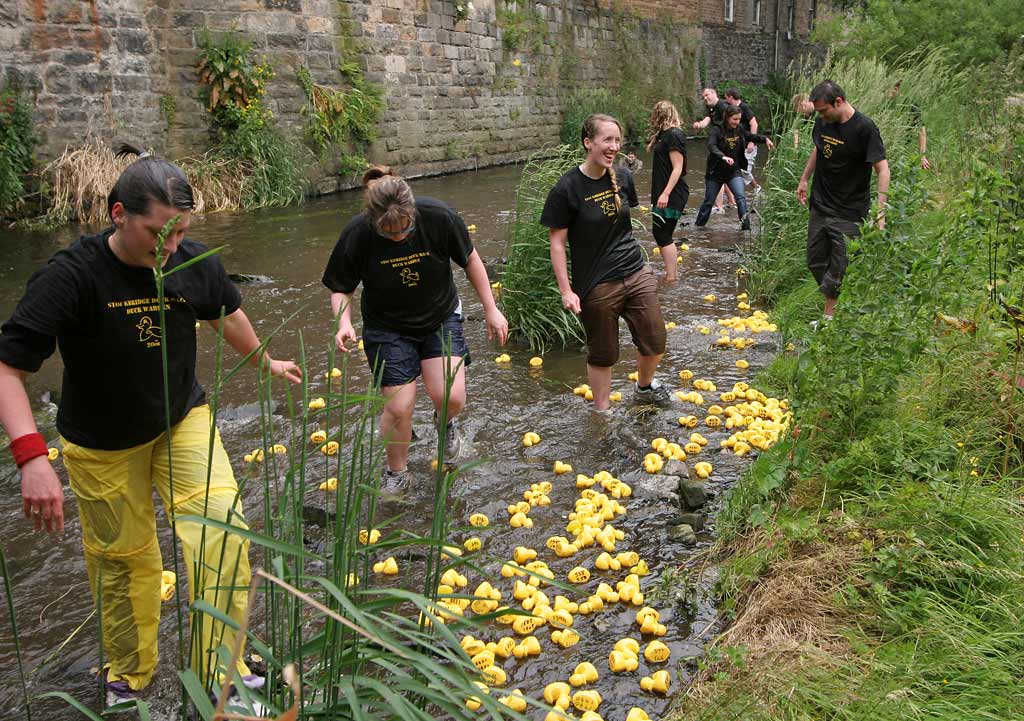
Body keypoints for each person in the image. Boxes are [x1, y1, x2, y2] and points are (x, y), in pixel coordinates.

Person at [0, 144, 301, 709]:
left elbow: (225, 311)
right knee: (125, 563)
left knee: (222, 532)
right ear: (118, 215)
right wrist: (32, 456)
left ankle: (223, 671)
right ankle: (129, 678)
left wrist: (265, 360)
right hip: (101, 444)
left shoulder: (191, 261)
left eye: (182, 231)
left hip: (180, 419)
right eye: (158, 232)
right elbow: (7, 367)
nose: (172, 247)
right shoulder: (71, 277)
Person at [323, 166, 508, 490]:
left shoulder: (439, 216)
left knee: (450, 396)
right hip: (387, 327)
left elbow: (471, 261)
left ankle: (444, 423)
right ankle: (397, 473)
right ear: (373, 220)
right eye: (389, 233)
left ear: (413, 211)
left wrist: (491, 309)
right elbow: (341, 287)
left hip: (440, 315)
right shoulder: (357, 233)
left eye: (404, 229)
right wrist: (343, 323)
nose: (397, 237)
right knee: (399, 406)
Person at [541, 114, 670, 410]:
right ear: (588, 143)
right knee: (604, 354)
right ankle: (602, 413)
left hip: (635, 270)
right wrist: (566, 290)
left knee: (655, 339)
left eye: (617, 140)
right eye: (606, 140)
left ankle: (644, 386)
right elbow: (557, 244)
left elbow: (625, 224)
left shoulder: (622, 177)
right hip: (597, 284)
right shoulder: (566, 189)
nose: (614, 146)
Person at [796, 79, 890, 323]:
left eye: (824, 111)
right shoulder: (823, 122)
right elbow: (819, 148)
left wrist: (881, 212)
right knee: (815, 261)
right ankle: (840, 305)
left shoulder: (865, 128)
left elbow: (883, 170)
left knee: (839, 266)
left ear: (838, 102)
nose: (821, 116)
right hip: (820, 204)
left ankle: (830, 320)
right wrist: (805, 178)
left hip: (849, 210)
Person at [695, 106, 775, 231]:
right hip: (715, 173)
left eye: (739, 119)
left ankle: (745, 229)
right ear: (727, 117)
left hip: (733, 171)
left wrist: (765, 139)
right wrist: (723, 157)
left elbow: (750, 136)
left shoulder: (739, 129)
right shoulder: (716, 130)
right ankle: (698, 228)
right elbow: (711, 146)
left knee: (740, 198)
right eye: (734, 119)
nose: (737, 122)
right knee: (709, 202)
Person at [645, 100, 689, 281]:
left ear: (660, 115)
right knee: (659, 233)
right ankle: (670, 274)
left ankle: (672, 277)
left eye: (655, 115)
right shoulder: (665, 135)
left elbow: (678, 168)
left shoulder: (674, 136)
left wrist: (666, 193)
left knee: (663, 234)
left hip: (672, 193)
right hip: (663, 191)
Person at [692, 87, 736, 213]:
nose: (705, 98)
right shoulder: (712, 108)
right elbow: (708, 119)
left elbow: (733, 122)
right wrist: (700, 124)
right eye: (703, 97)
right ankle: (732, 202)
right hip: (720, 144)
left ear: (714, 94)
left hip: (725, 144)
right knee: (725, 175)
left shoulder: (723, 106)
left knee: (717, 175)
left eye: (707, 95)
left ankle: (719, 206)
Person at [725, 88, 763, 193]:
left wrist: (752, 142)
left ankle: (749, 190)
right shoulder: (733, 110)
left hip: (748, 145)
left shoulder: (744, 107)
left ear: (731, 97)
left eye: (726, 98)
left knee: (744, 170)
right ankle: (755, 188)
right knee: (737, 169)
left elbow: (754, 124)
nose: (725, 101)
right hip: (738, 145)